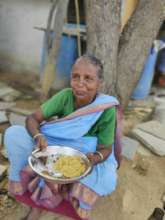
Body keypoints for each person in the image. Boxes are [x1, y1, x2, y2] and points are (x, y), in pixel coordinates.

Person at [4, 54, 122, 220]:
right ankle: (37, 206)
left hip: (86, 154)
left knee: (107, 179)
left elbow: (106, 148)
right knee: (14, 134)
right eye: (76, 77)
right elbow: (32, 118)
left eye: (88, 79)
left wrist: (93, 159)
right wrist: (38, 136)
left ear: (99, 82)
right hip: (56, 145)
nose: (80, 84)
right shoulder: (65, 96)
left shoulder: (105, 108)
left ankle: (73, 207)